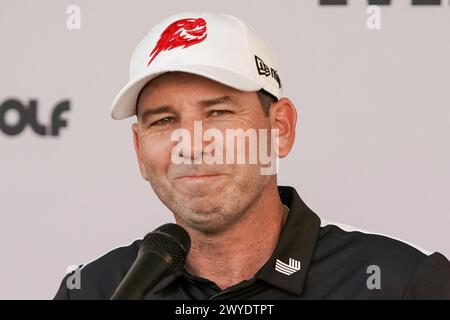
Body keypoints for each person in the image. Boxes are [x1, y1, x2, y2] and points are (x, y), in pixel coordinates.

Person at [54, 12, 450, 300]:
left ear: (280, 128)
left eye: (218, 113)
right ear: (139, 150)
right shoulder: (93, 290)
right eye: (163, 121)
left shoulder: (399, 282)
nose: (191, 144)